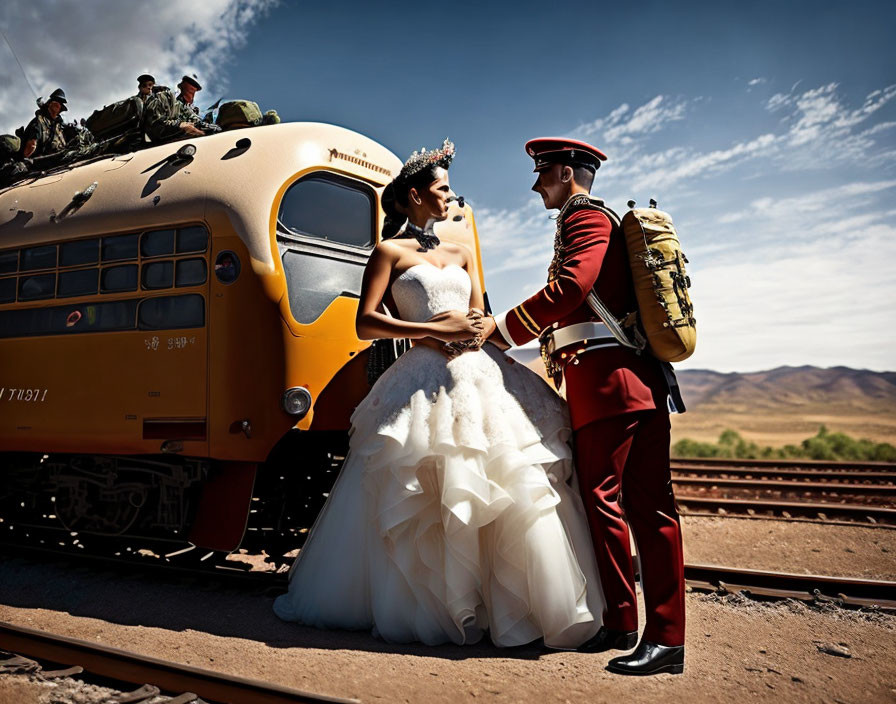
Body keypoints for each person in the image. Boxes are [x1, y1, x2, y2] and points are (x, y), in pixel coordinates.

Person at [273, 140, 604, 648]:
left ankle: (501, 606)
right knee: (426, 483)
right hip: (423, 370)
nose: (450, 196)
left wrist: (474, 331)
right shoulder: (388, 252)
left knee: (501, 474)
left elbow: (478, 314)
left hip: (478, 370)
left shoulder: (462, 251)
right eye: (442, 188)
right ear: (414, 196)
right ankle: (435, 606)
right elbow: (366, 323)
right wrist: (427, 335)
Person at [484, 137, 686, 675]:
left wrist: (501, 330)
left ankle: (640, 629)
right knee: (646, 506)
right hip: (630, 383)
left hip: (609, 384)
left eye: (543, 173)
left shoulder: (586, 219)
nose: (535, 185)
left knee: (607, 500)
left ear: (568, 173)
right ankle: (644, 631)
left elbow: (572, 288)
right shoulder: (587, 220)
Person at [142, 76, 204, 144]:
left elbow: (196, 120)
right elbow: (155, 125)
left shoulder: (184, 107)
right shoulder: (162, 97)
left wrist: (203, 126)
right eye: (190, 90)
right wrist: (179, 125)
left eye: (193, 92)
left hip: (184, 144)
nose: (192, 95)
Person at [22, 88, 68, 158]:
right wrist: (24, 160)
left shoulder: (59, 125)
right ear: (49, 104)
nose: (58, 106)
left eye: (59, 104)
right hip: (38, 161)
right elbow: (31, 146)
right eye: (55, 103)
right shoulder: (39, 122)